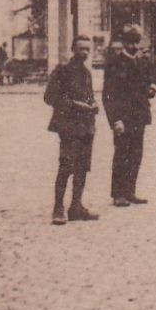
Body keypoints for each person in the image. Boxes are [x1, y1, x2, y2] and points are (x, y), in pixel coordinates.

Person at [45, 35, 101, 225]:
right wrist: (77, 106)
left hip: (86, 126)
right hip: (68, 126)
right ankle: (58, 208)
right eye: (81, 49)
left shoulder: (86, 73)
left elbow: (89, 96)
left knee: (82, 168)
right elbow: (50, 97)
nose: (84, 52)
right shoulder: (62, 71)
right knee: (66, 166)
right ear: (73, 49)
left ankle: (76, 207)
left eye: (87, 49)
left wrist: (93, 104)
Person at [102, 25, 156, 207]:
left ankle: (130, 191)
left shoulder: (142, 62)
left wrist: (151, 90)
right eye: (130, 42)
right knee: (121, 154)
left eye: (136, 42)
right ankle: (117, 194)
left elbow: (145, 88)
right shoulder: (114, 63)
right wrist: (115, 120)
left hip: (139, 116)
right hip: (122, 117)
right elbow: (108, 94)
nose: (133, 46)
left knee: (136, 154)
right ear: (123, 43)